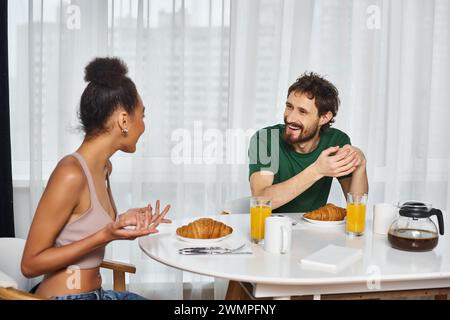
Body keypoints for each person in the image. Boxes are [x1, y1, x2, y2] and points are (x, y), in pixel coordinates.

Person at [21, 57, 171, 300]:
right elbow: (30, 264)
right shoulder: (70, 173)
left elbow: (80, 227)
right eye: (142, 116)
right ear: (124, 120)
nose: (143, 126)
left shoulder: (104, 168)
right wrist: (105, 235)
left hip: (97, 293)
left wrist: (122, 221)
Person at [249, 72, 368, 213]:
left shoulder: (335, 142)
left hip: (314, 230)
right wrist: (317, 170)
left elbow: (355, 205)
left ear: (324, 118)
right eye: (289, 106)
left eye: (302, 112)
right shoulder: (266, 139)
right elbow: (260, 201)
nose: (291, 117)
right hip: (271, 229)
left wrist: (361, 165)